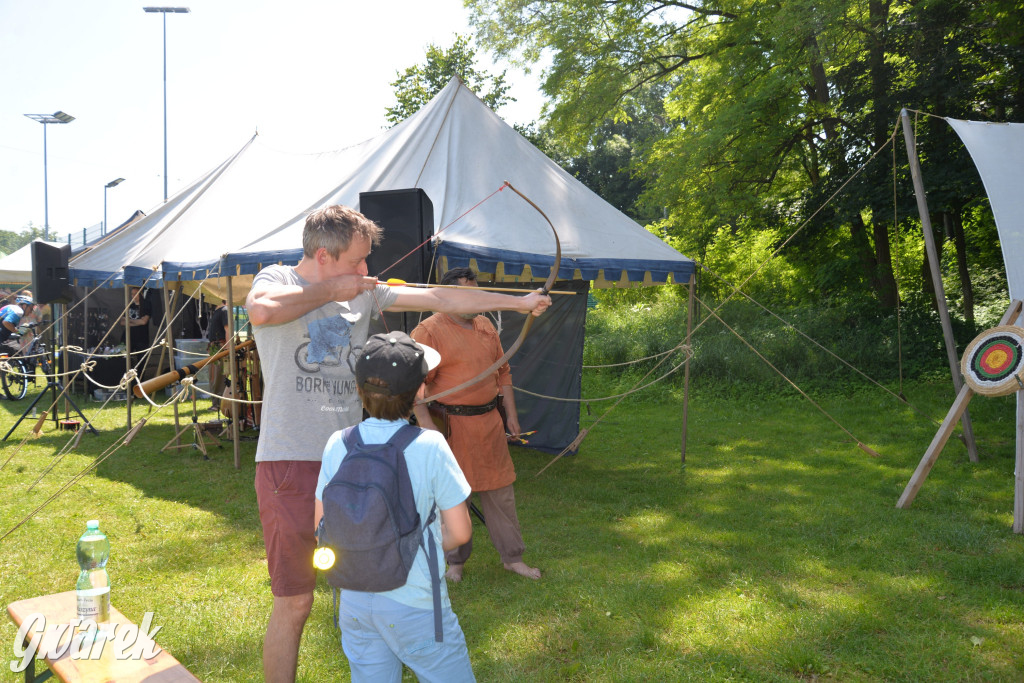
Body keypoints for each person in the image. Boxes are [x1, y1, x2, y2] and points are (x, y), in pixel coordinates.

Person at [244, 204, 550, 683]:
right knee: (295, 601)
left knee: (366, 584)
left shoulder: (364, 291)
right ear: (323, 256)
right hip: (290, 462)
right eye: (357, 262)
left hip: (355, 461)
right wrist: (331, 291)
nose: (366, 272)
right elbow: (260, 310)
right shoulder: (278, 276)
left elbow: (441, 297)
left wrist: (517, 303)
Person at [315, 331, 475, 682]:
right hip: (415, 604)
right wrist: (411, 545)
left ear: (359, 389)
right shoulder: (430, 445)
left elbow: (322, 525)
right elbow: (460, 532)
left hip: (353, 600)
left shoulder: (336, 443)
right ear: (419, 392)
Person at [410, 267, 541, 583]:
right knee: (453, 496)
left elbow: (503, 372)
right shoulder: (428, 331)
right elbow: (414, 387)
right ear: (449, 297)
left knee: (501, 493)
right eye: (468, 294)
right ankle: (455, 562)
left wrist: (511, 415)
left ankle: (513, 558)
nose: (477, 299)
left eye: (478, 291)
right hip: (452, 425)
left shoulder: (484, 325)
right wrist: (428, 427)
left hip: (490, 423)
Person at [206, 300, 230, 411]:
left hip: (220, 348)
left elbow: (228, 330)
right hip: (214, 348)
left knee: (219, 377)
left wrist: (227, 348)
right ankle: (216, 402)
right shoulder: (217, 311)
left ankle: (219, 403)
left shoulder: (224, 310)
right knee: (213, 377)